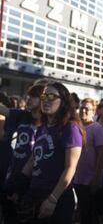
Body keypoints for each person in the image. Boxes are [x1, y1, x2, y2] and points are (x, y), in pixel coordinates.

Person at [21, 82, 84, 223]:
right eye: (44, 97)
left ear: (63, 101)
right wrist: (19, 182)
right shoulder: (43, 126)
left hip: (57, 197)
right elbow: (33, 158)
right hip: (36, 193)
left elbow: (70, 167)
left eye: (52, 96)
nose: (46, 100)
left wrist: (52, 199)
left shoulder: (70, 128)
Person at [0, 84, 45, 223]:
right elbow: (4, 110)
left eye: (34, 96)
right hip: (12, 176)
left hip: (32, 181)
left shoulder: (48, 123)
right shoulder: (22, 115)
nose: (29, 99)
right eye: (28, 96)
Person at [73, 98, 103, 224]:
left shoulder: (97, 129)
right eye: (81, 107)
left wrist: (96, 179)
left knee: (90, 215)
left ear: (93, 112)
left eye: (87, 108)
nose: (83, 110)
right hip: (76, 179)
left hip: (90, 181)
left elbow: (101, 156)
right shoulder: (76, 127)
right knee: (80, 213)